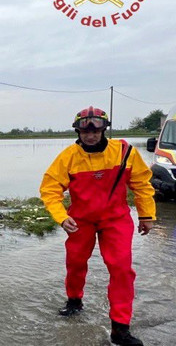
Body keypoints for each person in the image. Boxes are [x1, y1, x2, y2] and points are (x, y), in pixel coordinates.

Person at [40, 106, 156, 346]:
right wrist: (62, 217)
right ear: (78, 132)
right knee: (75, 263)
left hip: (116, 220)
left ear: (104, 130)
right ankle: (74, 300)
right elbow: (50, 190)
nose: (90, 136)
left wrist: (146, 216)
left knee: (122, 270)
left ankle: (120, 329)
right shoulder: (68, 157)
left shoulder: (124, 151)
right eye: (85, 132)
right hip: (80, 221)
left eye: (96, 131)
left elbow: (142, 184)